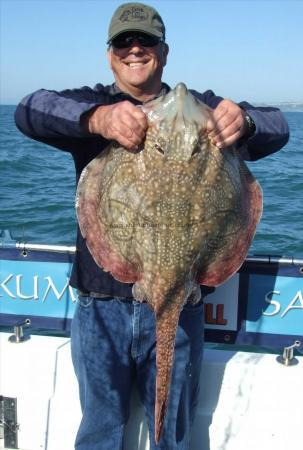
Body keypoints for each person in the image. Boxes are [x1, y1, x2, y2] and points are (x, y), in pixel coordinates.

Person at [14, 3, 289, 449]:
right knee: (100, 431)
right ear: (110, 54)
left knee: (172, 436)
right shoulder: (96, 105)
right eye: (124, 41)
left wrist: (247, 121)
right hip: (102, 306)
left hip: (183, 301)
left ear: (164, 51)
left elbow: (278, 128)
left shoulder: (205, 112)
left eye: (147, 41)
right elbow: (29, 109)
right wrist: (98, 120)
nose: (135, 49)